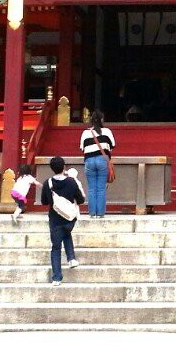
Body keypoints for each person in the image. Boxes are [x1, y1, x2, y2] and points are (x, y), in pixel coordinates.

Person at [40, 156, 82, 284]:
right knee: (67, 233)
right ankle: (71, 258)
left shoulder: (48, 183)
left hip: (55, 218)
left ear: (52, 169)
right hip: (69, 218)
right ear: (64, 167)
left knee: (56, 248)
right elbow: (80, 199)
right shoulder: (71, 181)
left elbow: (44, 201)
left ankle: (57, 277)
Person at [80, 111, 115, 218]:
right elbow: (112, 145)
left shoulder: (85, 133)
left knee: (91, 188)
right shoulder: (107, 131)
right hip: (102, 160)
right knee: (101, 188)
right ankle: (100, 213)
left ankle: (92, 213)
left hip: (89, 161)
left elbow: (82, 148)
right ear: (102, 120)